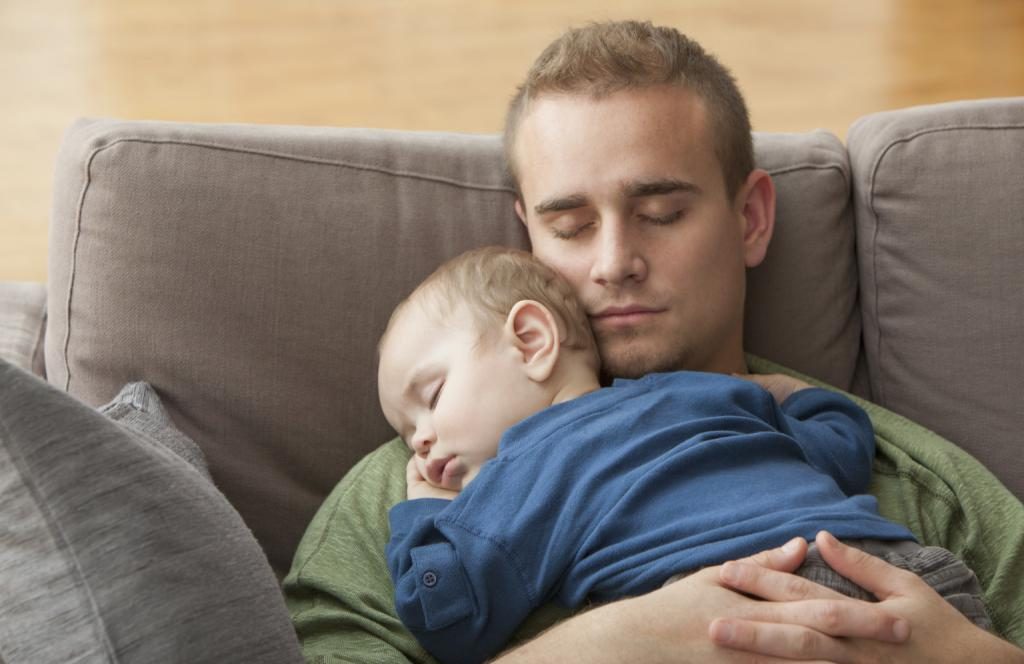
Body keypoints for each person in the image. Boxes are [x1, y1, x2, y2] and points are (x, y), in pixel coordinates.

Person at [285, 20, 1024, 662]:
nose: (612, 264)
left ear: (750, 220)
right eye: (570, 227)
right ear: (529, 238)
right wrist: (611, 645)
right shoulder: (418, 484)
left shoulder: (919, 485)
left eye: (662, 212)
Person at [377, 246, 990, 664]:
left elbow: (450, 617)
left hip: (753, 609)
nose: (422, 440)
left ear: (532, 342)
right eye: (408, 436)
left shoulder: (517, 476)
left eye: (431, 397)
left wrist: (422, 514)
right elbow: (840, 450)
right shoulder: (704, 390)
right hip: (917, 581)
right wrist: (789, 396)